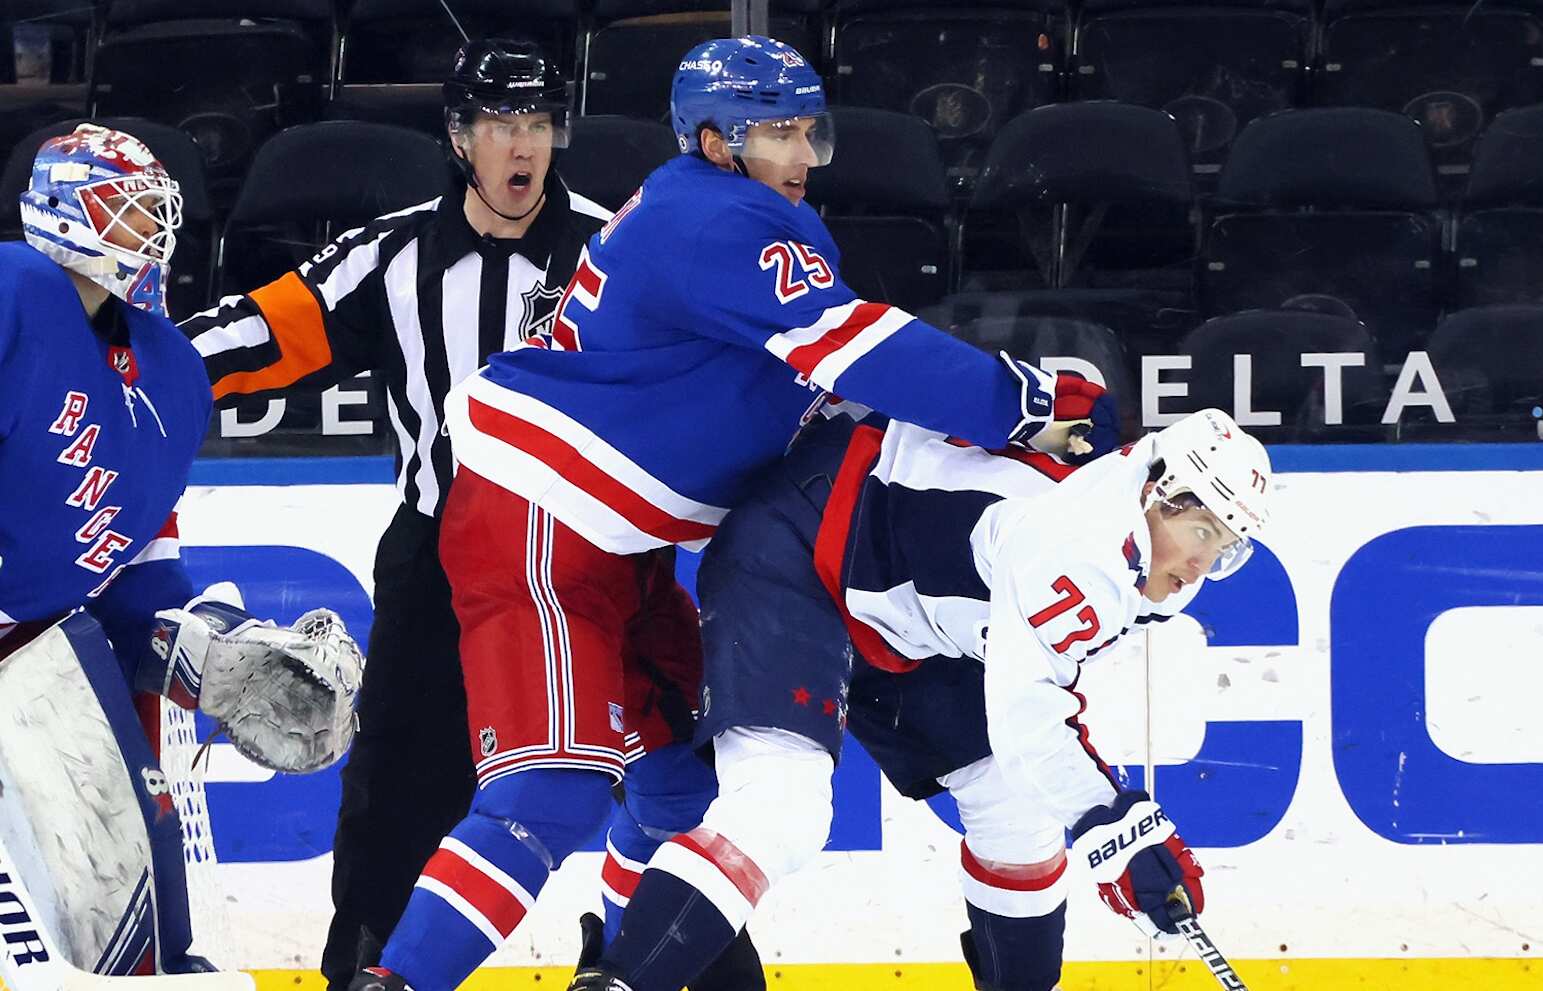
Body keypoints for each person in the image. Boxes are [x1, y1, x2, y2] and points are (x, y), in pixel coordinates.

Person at [353, 33, 1116, 991]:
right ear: (716, 142)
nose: (803, 156)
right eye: (778, 134)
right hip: (538, 518)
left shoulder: (730, 214)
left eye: (810, 133)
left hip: (613, 541)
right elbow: (858, 349)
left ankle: (616, 970)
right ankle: (398, 982)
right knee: (551, 791)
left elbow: (828, 381)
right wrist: (1025, 402)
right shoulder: (716, 220)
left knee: (682, 781)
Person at [177, 38, 772, 991]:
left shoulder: (618, 247)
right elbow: (261, 332)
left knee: (670, 785)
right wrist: (133, 368)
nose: (522, 144)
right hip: (441, 566)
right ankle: (370, 970)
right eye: (501, 124)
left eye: (537, 123)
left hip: (606, 559)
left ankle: (688, 969)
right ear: (460, 138)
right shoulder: (390, 256)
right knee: (396, 801)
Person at [569, 407, 1270, 991]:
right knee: (780, 808)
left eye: (1226, 546)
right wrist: (1115, 827)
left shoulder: (1136, 537)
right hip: (804, 546)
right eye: (1201, 532)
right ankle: (620, 983)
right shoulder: (1082, 549)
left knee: (1016, 808)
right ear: (1157, 493)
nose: (1202, 565)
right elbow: (1029, 715)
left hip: (910, 610)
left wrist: (1111, 823)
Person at [0, 123, 362, 983]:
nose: (153, 228)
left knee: (138, 875)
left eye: (153, 209)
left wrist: (222, 655)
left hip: (38, 665)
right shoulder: (13, 289)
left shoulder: (171, 374)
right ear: (62, 211)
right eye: (125, 207)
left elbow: (139, 570)